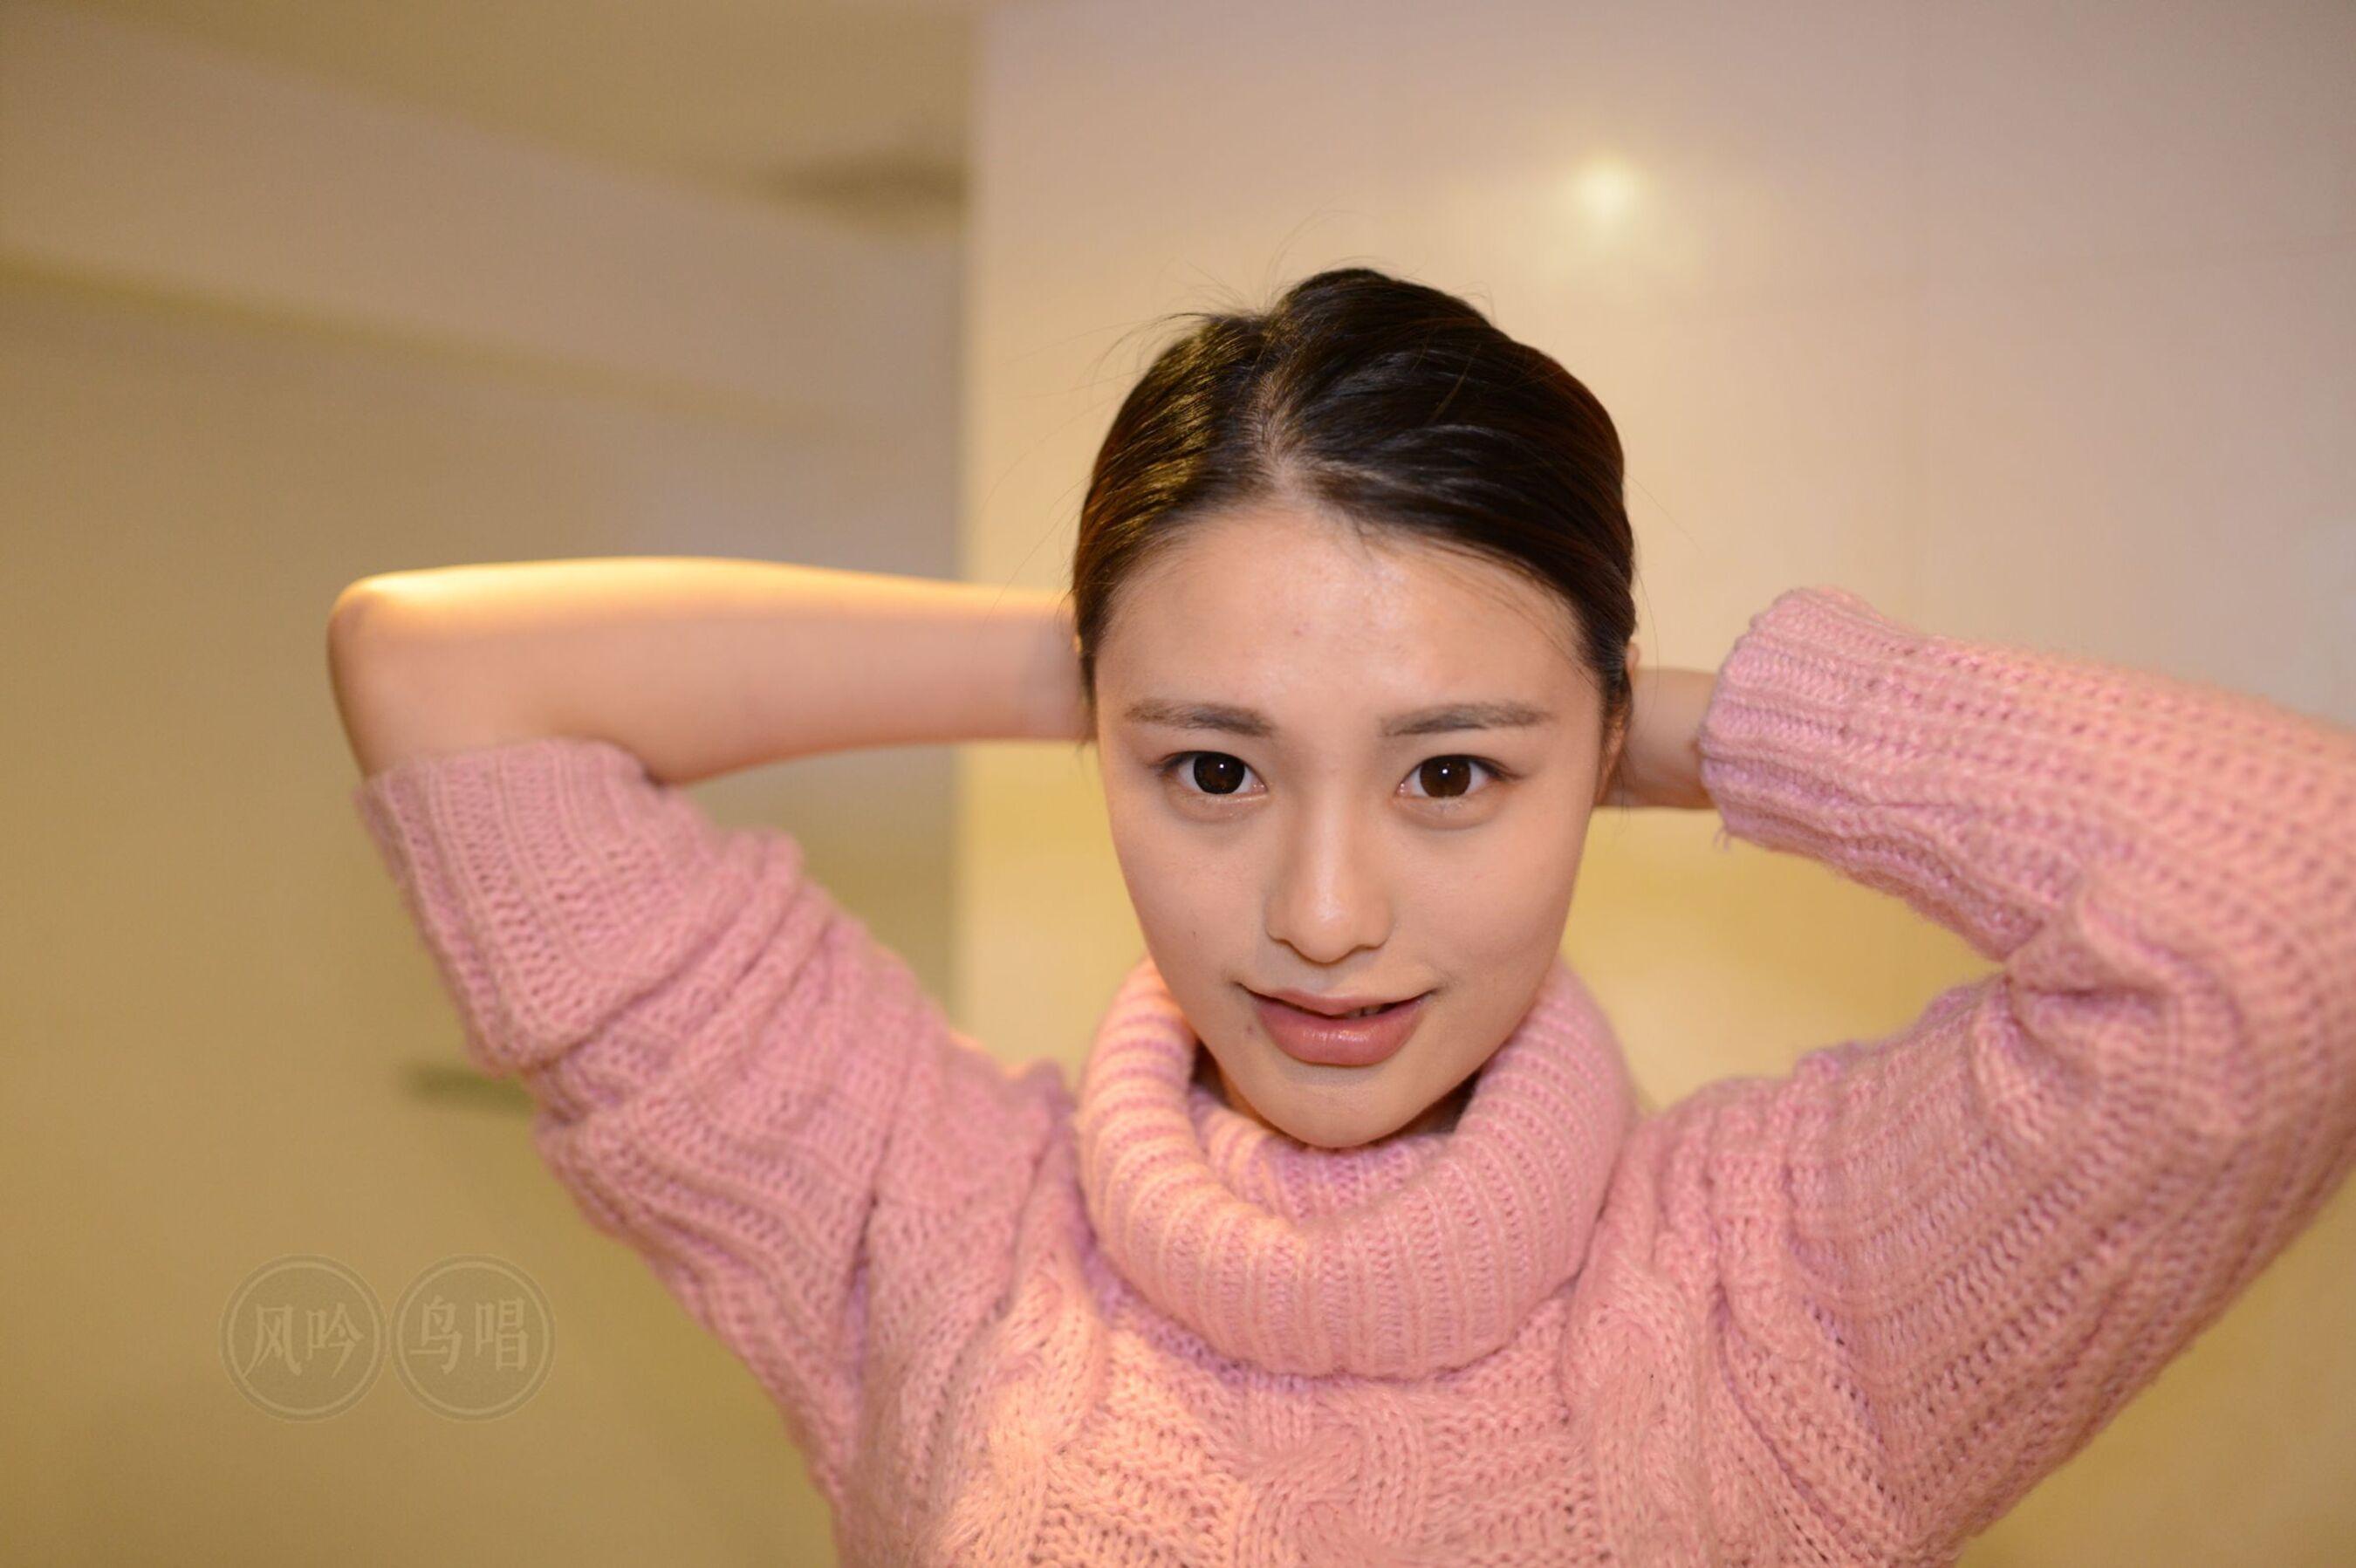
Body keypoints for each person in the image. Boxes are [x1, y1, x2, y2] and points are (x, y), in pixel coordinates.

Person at [329, 268, 2356, 1566]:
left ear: (1599, 759)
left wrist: (1652, 718)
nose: (1320, 914)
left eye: (1452, 777)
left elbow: (2299, 906)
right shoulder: (924, 1217)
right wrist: (1135, 657)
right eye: (1211, 774)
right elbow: (440, 676)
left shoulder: (1801, 1290)